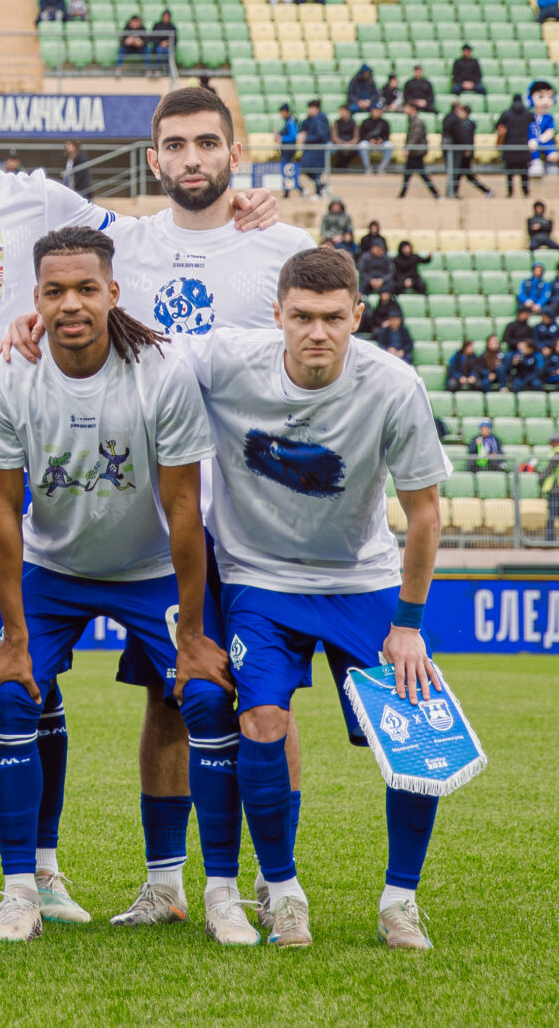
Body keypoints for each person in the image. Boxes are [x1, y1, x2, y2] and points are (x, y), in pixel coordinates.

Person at [0, 69, 284, 927]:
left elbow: (145, 233)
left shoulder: (41, 200)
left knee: (31, 683)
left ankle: (42, 871)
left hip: (31, 475)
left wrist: (239, 199)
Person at [0, 85, 308, 926]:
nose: (191, 158)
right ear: (153, 157)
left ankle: (275, 880)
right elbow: (33, 233)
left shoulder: (283, 244)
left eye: (207, 143)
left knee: (260, 697)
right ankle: (167, 884)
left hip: (249, 510)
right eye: (175, 145)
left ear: (235, 152)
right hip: (151, 510)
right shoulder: (124, 239)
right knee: (169, 699)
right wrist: (28, 319)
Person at [174, 246, 453, 950]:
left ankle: (400, 900)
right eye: (302, 317)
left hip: (361, 578)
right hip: (259, 576)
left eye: (333, 317)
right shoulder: (226, 359)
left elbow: (425, 513)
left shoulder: (394, 385)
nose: (317, 332)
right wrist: (35, 326)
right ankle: (283, 892)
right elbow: (140, 355)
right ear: (278, 314)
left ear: (358, 314)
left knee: (416, 730)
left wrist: (408, 625)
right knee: (262, 718)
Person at [0, 225, 211, 942]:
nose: (71, 303)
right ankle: (21, 892)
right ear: (35, 299)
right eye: (55, 290)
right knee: (12, 694)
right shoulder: (6, 373)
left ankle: (181, 887)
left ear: (113, 292)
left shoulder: (161, 369)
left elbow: (184, 508)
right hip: (53, 568)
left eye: (86, 289)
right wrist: (12, 635)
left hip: (150, 569)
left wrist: (192, 633)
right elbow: (1, 510)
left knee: (203, 698)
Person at [441, 101, 490, 196]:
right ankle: (453, 192)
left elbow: (464, 137)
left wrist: (466, 149)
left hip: (461, 151)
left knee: (459, 173)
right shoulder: (458, 121)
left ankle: (452, 192)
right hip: (459, 151)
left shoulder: (464, 123)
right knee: (459, 173)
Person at [395, 106, 437, 198]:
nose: (405, 109)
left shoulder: (417, 122)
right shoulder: (412, 121)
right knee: (408, 174)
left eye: (407, 108)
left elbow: (415, 137)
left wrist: (408, 149)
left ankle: (435, 193)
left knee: (422, 174)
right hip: (414, 152)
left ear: (413, 109)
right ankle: (402, 194)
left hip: (416, 152)